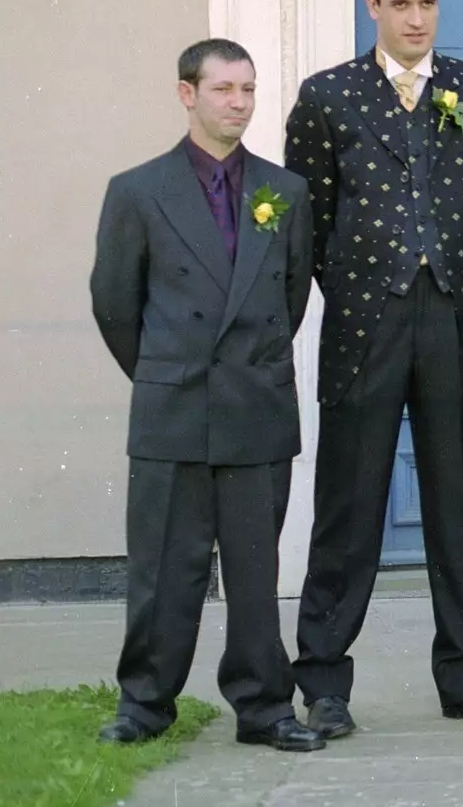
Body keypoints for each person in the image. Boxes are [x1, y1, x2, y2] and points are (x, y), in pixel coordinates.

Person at [286, 0, 463, 736]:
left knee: (456, 509)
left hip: (454, 326)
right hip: (363, 329)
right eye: (401, 4)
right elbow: (307, 227)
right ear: (372, 6)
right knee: (347, 507)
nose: (417, 18)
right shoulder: (328, 97)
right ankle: (323, 683)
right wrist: (360, 292)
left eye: (428, 3)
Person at [90, 38, 322, 752]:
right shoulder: (137, 190)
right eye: (223, 89)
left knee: (256, 572)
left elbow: (292, 293)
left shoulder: (285, 192)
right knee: (164, 567)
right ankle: (146, 703)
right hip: (174, 404)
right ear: (187, 94)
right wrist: (169, 370)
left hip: (256, 405)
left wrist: (243, 370)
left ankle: (264, 708)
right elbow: (114, 305)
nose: (239, 103)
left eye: (249, 90)